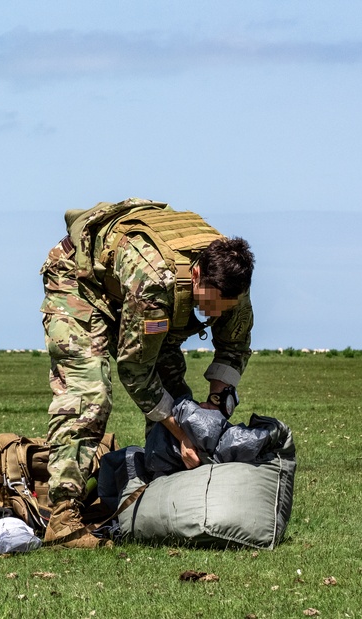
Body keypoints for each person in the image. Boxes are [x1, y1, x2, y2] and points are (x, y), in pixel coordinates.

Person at [39, 199, 254, 548]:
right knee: (89, 393)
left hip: (135, 289)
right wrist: (183, 435)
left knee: (176, 395)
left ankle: (164, 496)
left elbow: (234, 347)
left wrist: (215, 406)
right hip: (80, 284)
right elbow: (135, 371)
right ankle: (63, 517)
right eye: (208, 303)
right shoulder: (154, 282)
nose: (213, 313)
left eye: (222, 307)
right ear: (196, 275)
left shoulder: (232, 285)